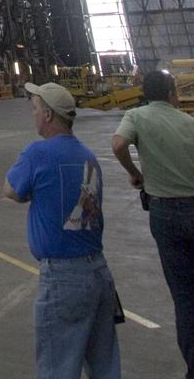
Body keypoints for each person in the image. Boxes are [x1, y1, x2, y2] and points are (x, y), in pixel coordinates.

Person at [3, 81, 120, 379]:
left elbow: (12, 190)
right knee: (105, 366)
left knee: (58, 367)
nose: (33, 115)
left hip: (63, 277)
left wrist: (33, 192)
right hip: (99, 271)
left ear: (48, 116)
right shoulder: (88, 156)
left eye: (35, 110)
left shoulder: (38, 153)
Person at [111, 69, 194, 379]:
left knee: (185, 297)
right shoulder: (189, 122)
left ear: (144, 93)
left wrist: (135, 173)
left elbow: (118, 144)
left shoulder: (137, 116)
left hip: (164, 212)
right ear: (173, 94)